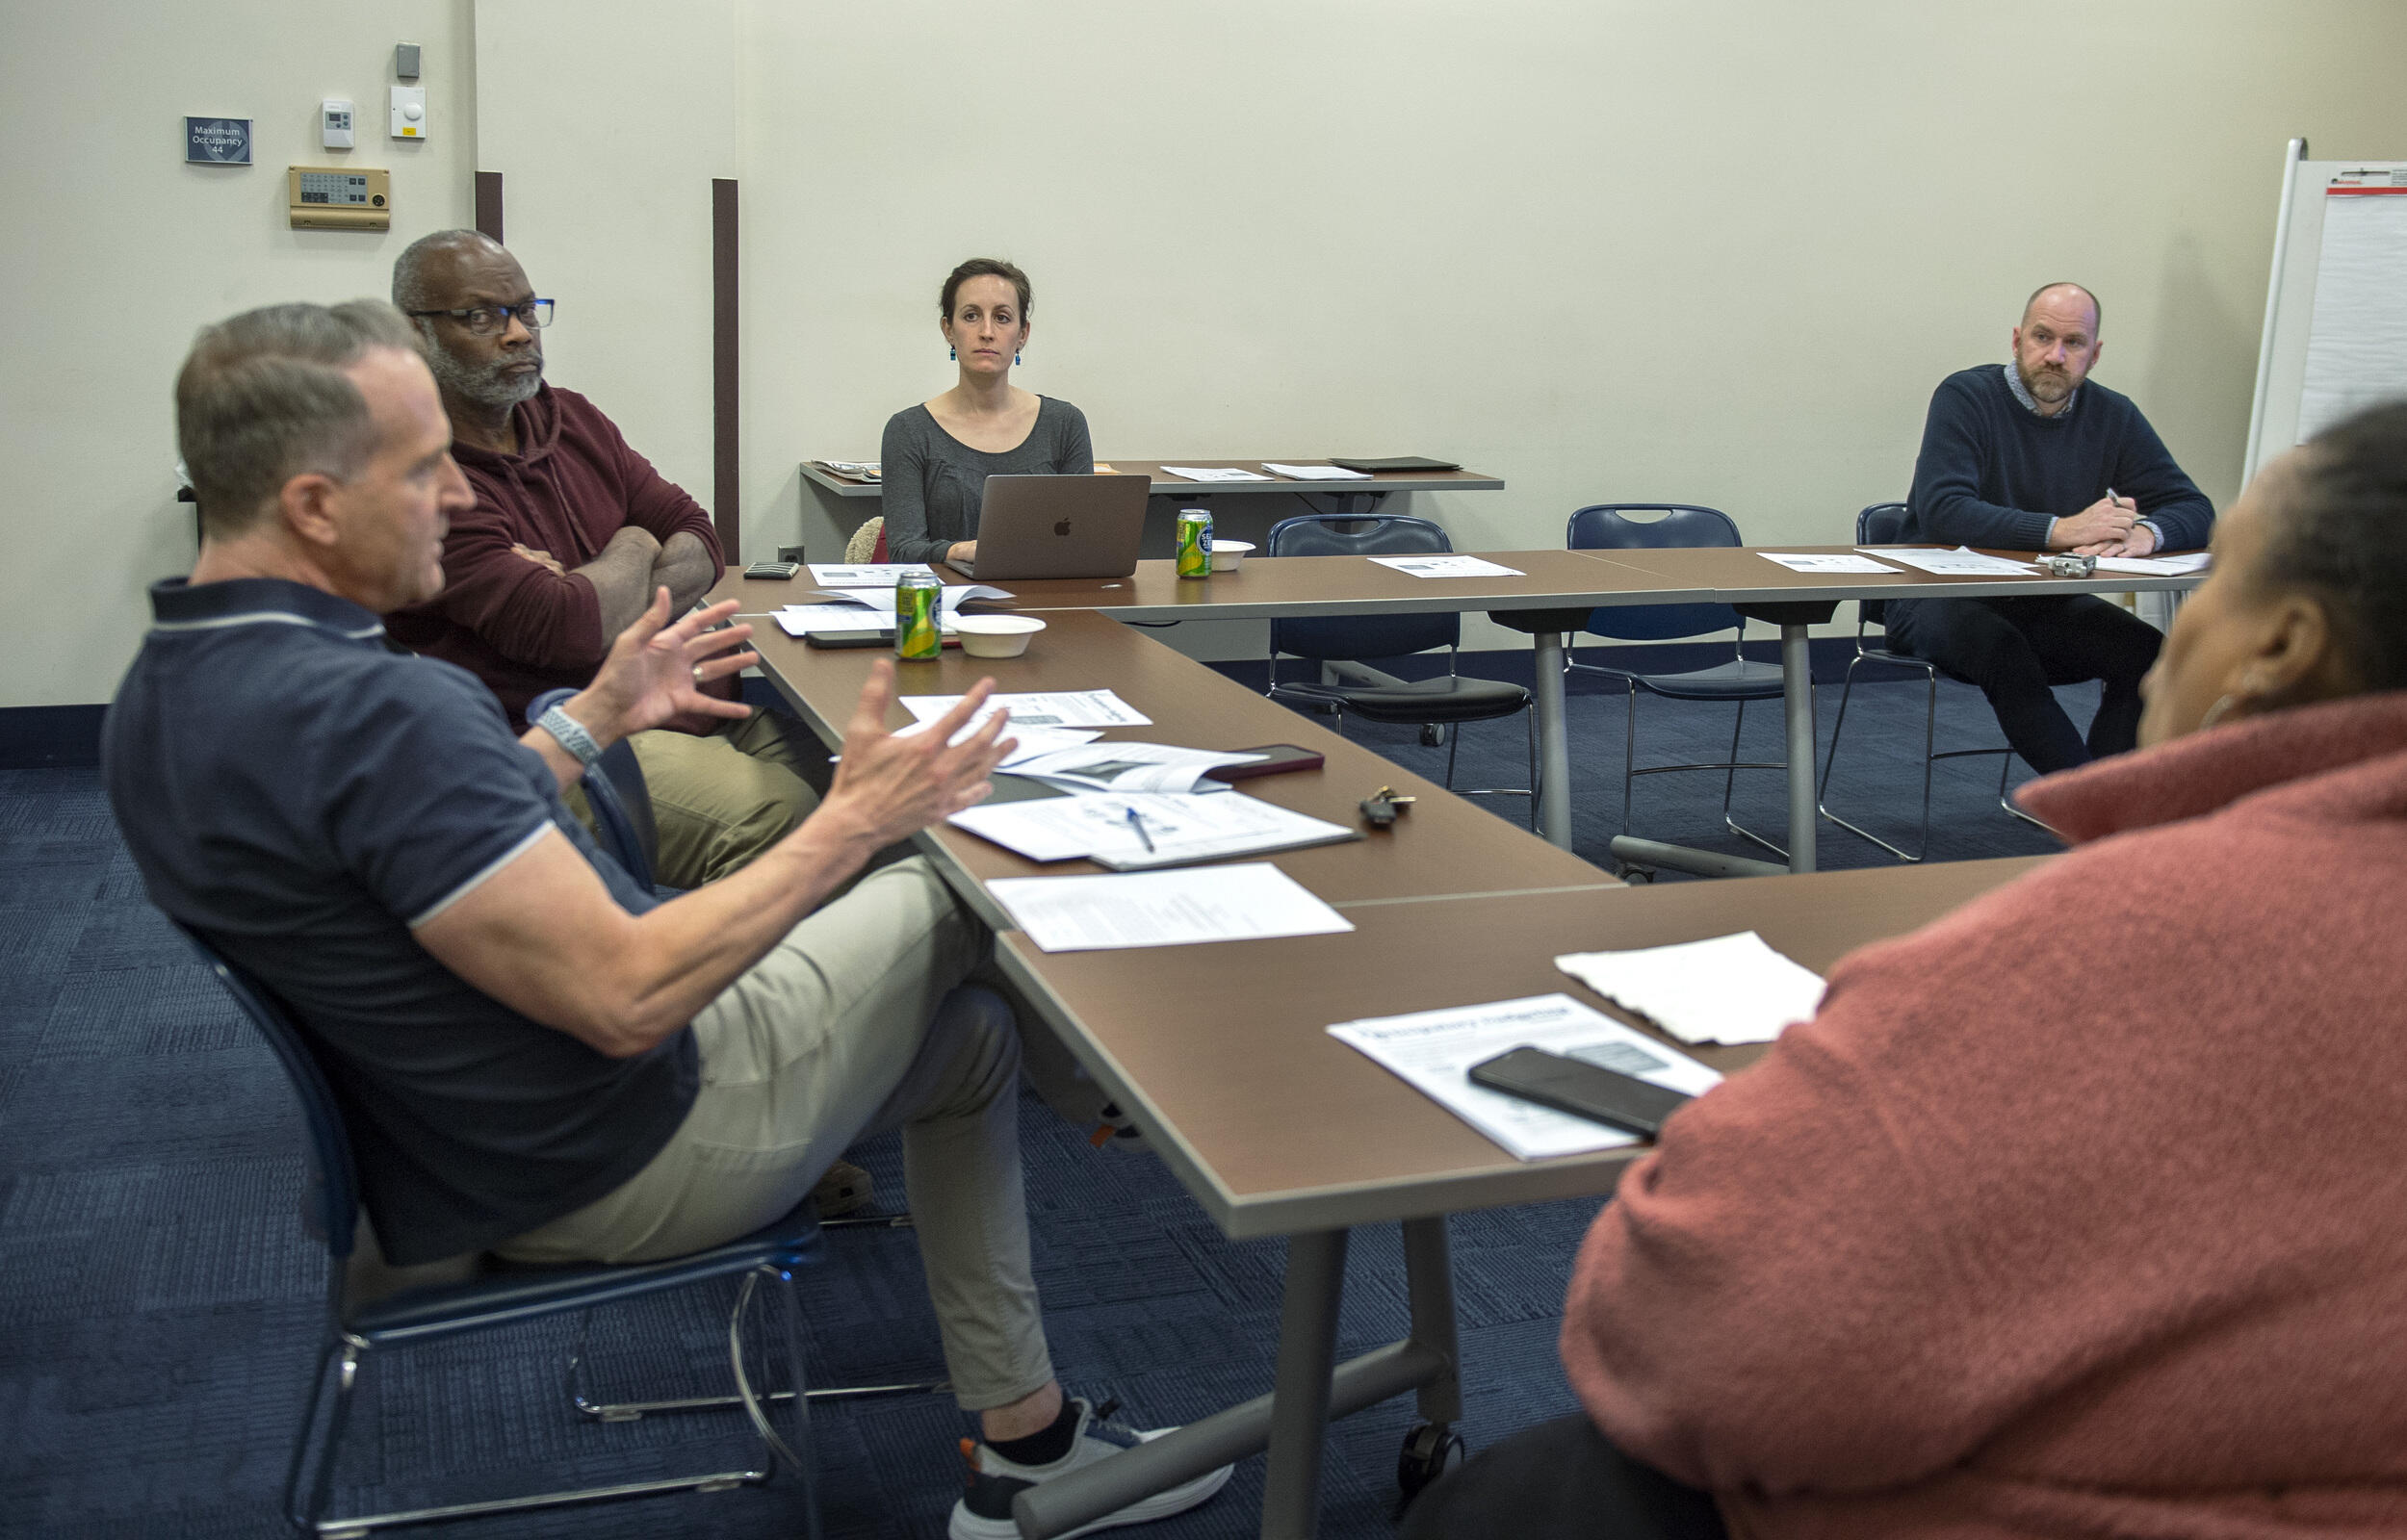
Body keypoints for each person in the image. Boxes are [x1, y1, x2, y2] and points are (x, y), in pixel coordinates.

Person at [103, 300, 1229, 1538]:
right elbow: (629, 991)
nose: (461, 502)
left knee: (969, 1041)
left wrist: (592, 715)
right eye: (423, 472)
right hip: (614, 1145)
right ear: (314, 506)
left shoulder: (174, 691)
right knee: (947, 867)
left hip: (450, 1146)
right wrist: (849, 822)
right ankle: (1182, 1117)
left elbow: (420, 848)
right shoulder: (377, 711)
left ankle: (1027, 1441)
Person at [1404, 401, 2407, 1537]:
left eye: (2217, 578)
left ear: (2278, 648)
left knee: (1514, 1501)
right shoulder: (1974, 403)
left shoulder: (2065, 954)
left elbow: (1700, 1347)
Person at [383, 228, 820, 889]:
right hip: (563, 741)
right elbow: (565, 629)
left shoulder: (575, 420)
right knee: (780, 816)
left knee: (878, 780)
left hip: (688, 704)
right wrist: (637, 541)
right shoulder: (424, 476)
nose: (519, 333)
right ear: (415, 334)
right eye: (482, 316)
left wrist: (604, 576)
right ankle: (736, 991)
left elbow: (702, 539)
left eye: (527, 310)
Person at [1884, 281, 2215, 773]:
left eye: (2073, 344)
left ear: (2094, 354)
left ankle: (2101, 793)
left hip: (2039, 600)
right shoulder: (1966, 397)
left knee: (2150, 653)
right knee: (2005, 652)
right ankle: (2083, 805)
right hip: (1936, 596)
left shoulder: (2113, 415)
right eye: (2042, 338)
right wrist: (2062, 530)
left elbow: (2192, 506)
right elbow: (1945, 509)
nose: (2055, 356)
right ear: (2017, 340)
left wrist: (2146, 535)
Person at [880, 257, 1094, 568]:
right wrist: (962, 551)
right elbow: (903, 551)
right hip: (946, 606)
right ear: (948, 330)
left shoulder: (1065, 425)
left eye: (1003, 318)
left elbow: (1086, 541)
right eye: (971, 316)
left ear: (1023, 334)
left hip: (1045, 604)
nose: (987, 331)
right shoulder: (908, 430)